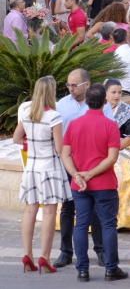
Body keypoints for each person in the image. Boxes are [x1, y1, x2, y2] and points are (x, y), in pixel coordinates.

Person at [59, 84, 128, 282]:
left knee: (80, 224)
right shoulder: (110, 125)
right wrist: (90, 174)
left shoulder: (74, 124)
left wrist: (77, 175)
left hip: (79, 184)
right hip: (104, 183)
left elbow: (65, 154)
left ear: (87, 101)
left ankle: (82, 269)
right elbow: (111, 158)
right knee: (108, 225)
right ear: (104, 101)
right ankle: (111, 268)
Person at [14, 75, 70, 273]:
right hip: (50, 167)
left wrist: (32, 144)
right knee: (49, 212)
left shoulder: (28, 112)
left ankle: (27, 254)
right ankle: (45, 256)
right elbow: (59, 147)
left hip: (32, 166)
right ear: (51, 92)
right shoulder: (53, 116)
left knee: (30, 210)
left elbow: (16, 138)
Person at [54, 68, 109, 269]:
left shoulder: (101, 105)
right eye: (68, 84)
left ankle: (101, 250)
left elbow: (109, 130)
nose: (70, 88)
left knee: (96, 209)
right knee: (68, 208)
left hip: (94, 165)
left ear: (87, 84)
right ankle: (65, 252)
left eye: (74, 85)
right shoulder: (61, 105)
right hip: (69, 164)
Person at [104, 80, 130, 231]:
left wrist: (114, 148)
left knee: (126, 175)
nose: (117, 95)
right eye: (113, 92)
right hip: (99, 149)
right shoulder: (97, 108)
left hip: (122, 148)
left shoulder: (126, 111)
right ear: (105, 93)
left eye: (119, 92)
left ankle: (124, 219)